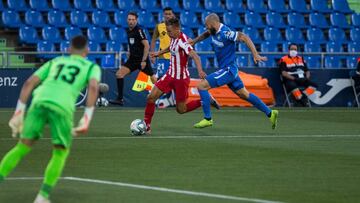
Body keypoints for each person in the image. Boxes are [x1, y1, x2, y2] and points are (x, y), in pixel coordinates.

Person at [0, 36, 101, 203]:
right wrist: (86, 118)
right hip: (62, 108)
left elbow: (28, 83)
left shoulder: (56, 61)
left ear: (69, 50)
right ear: (87, 51)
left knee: (22, 147)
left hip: (39, 102)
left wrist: (19, 112)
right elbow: (93, 87)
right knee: (60, 151)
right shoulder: (92, 67)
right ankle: (42, 197)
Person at [189, 13, 278, 129]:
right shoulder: (213, 31)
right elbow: (206, 34)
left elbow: (244, 37)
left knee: (201, 86)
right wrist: (195, 41)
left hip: (228, 69)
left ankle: (207, 119)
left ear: (213, 24)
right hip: (228, 70)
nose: (206, 28)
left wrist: (255, 54)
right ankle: (271, 113)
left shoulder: (226, 33)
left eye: (207, 25)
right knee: (244, 94)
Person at [144, 17, 217, 134]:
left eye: (170, 32)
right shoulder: (173, 37)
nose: (168, 34)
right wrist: (159, 53)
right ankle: (146, 126)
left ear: (177, 29)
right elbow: (171, 47)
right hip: (169, 75)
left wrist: (200, 71)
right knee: (151, 98)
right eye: (167, 32)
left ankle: (205, 100)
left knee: (181, 110)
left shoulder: (184, 41)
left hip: (181, 80)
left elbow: (195, 56)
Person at [110, 11, 156, 106]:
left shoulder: (139, 30)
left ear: (136, 20)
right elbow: (133, 44)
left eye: (133, 20)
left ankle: (166, 94)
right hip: (132, 60)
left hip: (141, 60)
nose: (131, 21)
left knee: (153, 78)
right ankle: (120, 99)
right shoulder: (129, 31)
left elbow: (146, 45)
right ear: (127, 20)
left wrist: (143, 61)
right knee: (119, 74)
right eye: (129, 19)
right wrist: (130, 52)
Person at [150, 7, 176, 108]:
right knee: (161, 78)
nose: (168, 16)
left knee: (173, 79)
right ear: (163, 15)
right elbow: (153, 40)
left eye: (170, 14)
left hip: (174, 56)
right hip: (162, 57)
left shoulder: (176, 26)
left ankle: (171, 100)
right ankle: (161, 99)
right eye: (166, 14)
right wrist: (152, 54)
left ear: (172, 15)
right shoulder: (159, 26)